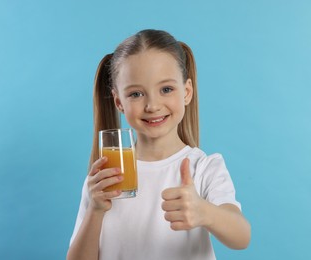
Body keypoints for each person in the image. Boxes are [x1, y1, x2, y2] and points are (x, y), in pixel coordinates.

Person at [67, 29, 251, 260]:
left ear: (186, 92)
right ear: (119, 102)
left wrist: (205, 212)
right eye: (135, 94)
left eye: (166, 89)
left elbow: (242, 236)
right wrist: (95, 210)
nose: (152, 105)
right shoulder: (104, 179)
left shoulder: (204, 168)